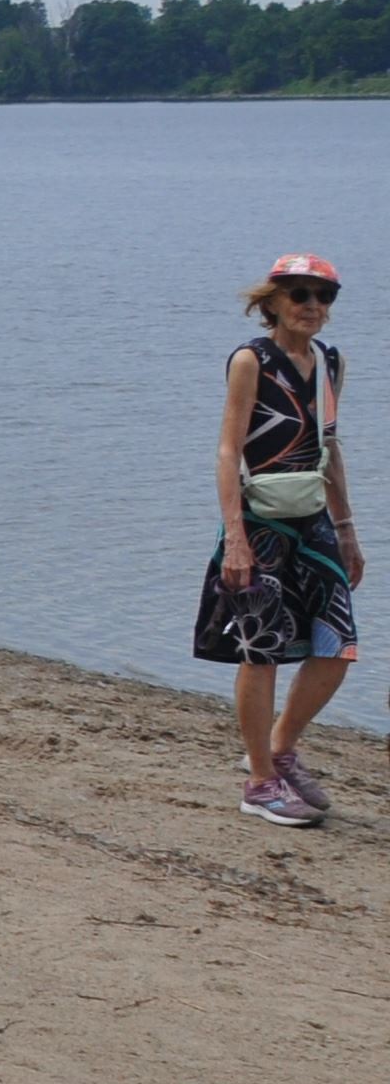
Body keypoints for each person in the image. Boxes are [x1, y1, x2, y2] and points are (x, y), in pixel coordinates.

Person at [196, 254, 354, 826]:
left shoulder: (330, 362)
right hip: (259, 519)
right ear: (274, 302)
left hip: (313, 521)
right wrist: (234, 538)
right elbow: (227, 450)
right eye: (301, 295)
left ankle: (280, 749)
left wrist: (347, 530)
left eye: (324, 297)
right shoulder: (251, 359)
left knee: (337, 647)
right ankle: (260, 782)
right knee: (260, 651)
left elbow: (329, 448)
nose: (313, 306)